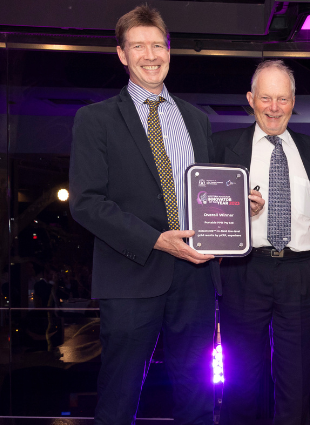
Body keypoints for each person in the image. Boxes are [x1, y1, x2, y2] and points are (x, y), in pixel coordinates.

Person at [69, 5, 219, 424]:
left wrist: (238, 205)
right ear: (122, 53)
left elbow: (204, 190)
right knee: (119, 399)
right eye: (139, 46)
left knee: (196, 396)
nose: (150, 55)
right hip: (130, 275)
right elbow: (86, 202)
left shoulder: (197, 120)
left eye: (158, 45)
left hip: (194, 277)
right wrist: (156, 238)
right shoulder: (94, 119)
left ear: (169, 50)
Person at [210, 60, 310, 425]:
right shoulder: (222, 147)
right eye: (266, 98)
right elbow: (203, 208)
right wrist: (238, 214)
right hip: (244, 271)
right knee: (242, 382)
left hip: (302, 274)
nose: (274, 107)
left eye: (282, 99)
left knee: (296, 385)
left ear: (293, 101)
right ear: (251, 99)